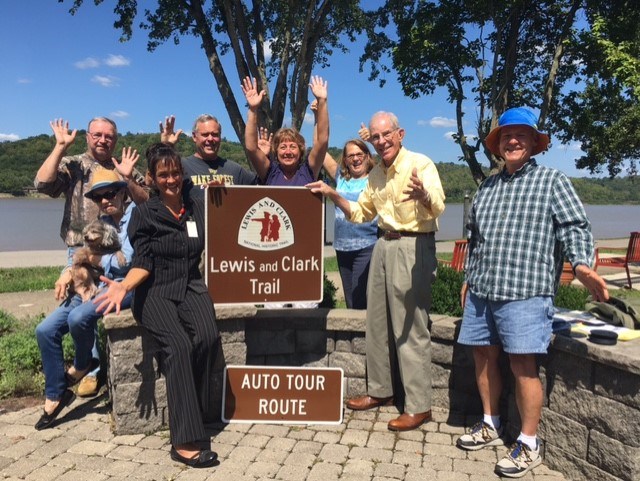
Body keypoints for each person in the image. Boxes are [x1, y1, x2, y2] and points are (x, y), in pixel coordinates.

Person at [455, 107, 609, 478]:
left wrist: (582, 264)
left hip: (526, 292)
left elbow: (574, 226)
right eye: (507, 136)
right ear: (498, 144)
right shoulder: (487, 186)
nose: (513, 141)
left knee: (523, 366)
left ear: (534, 144)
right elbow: (475, 238)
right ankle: (491, 423)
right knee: (483, 356)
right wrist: (467, 277)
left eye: (522, 135)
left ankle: (528, 443)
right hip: (482, 291)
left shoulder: (553, 181)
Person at [307, 111, 446, 431]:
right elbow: (359, 213)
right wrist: (332, 195)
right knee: (378, 323)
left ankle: (418, 405)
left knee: (410, 326)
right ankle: (381, 391)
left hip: (413, 244)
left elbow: (438, 205)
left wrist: (423, 195)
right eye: (376, 135)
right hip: (382, 244)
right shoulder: (376, 175)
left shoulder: (420, 164)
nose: (381, 140)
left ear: (400, 134)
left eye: (387, 134)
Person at [95, 143, 219, 468]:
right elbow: (144, 262)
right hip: (156, 291)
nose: (171, 179)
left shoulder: (195, 204)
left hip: (191, 284)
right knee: (178, 347)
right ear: (151, 178)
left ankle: (199, 408)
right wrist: (123, 286)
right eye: (163, 174)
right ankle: (184, 441)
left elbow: (227, 214)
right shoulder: (144, 213)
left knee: (208, 338)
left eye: (175, 172)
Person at [35, 117, 148, 397]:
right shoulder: (75, 164)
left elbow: (149, 200)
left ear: (116, 139)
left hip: (117, 257)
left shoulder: (123, 169)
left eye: (109, 136)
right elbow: (43, 184)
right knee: (74, 311)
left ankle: (92, 371)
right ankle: (85, 370)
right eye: (97, 134)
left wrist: (129, 177)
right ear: (87, 136)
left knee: (83, 314)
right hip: (81, 253)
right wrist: (60, 147)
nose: (102, 140)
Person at [34, 168, 135, 430]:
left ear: (123, 192)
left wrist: (96, 259)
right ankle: (57, 392)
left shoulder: (136, 215)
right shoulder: (100, 220)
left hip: (121, 286)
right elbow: (78, 253)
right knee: (45, 330)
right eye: (99, 197)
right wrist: (66, 273)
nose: (105, 200)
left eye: (111, 193)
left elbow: (132, 258)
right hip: (90, 285)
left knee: (79, 318)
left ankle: (82, 366)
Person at [241, 75, 328, 186]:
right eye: (283, 147)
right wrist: (253, 109)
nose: (288, 152)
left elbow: (322, 141)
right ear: (276, 152)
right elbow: (251, 148)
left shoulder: (308, 171)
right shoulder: (269, 172)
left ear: (300, 151)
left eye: (292, 147)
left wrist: (322, 101)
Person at [323, 139, 377, 309]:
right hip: (342, 248)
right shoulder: (340, 177)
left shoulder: (376, 178)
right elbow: (320, 148)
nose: (355, 158)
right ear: (345, 160)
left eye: (359, 154)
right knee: (350, 300)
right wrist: (318, 116)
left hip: (368, 246)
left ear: (368, 157)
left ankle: (365, 335)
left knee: (361, 298)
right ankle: (354, 335)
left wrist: (371, 140)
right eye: (351, 155)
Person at [159, 114, 258, 198]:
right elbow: (151, 181)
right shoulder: (181, 166)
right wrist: (165, 147)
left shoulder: (236, 170)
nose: (210, 139)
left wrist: (262, 155)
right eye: (205, 135)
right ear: (194, 136)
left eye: (215, 134)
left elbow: (264, 185)